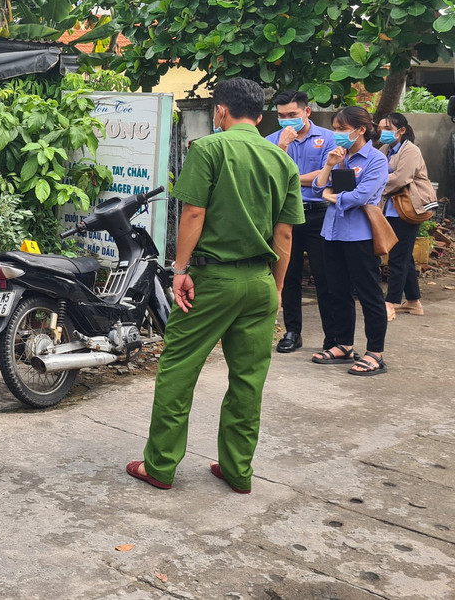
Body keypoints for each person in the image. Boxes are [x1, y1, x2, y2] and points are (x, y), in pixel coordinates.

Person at [127, 78, 301, 493]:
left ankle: (161, 467)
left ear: (220, 111)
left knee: (178, 370)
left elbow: (192, 215)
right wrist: (276, 289)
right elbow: (285, 237)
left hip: (214, 279)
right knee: (248, 379)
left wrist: (180, 270)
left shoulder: (209, 148)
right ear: (260, 116)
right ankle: (238, 471)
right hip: (260, 281)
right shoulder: (282, 161)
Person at [310, 106, 390, 376]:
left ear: (361, 130)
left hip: (360, 236)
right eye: (335, 129)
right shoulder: (339, 157)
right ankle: (344, 345)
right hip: (331, 232)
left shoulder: (376, 160)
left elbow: (362, 196)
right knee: (337, 291)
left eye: (342, 129)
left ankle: (375, 353)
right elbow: (318, 187)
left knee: (369, 294)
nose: (337, 134)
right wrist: (330, 165)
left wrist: (333, 197)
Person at [268, 91, 337, 353]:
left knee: (324, 277)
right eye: (282, 116)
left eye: (292, 115)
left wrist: (289, 174)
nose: (287, 121)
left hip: (318, 213)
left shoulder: (327, 138)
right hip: (286, 215)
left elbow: (326, 176)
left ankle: (332, 337)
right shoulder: (272, 141)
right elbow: (268, 174)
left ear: (306, 112)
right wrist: (282, 148)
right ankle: (292, 332)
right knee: (288, 275)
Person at [378, 112, 436, 317]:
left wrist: (376, 183)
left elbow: (401, 178)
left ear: (401, 131)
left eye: (388, 128)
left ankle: (390, 303)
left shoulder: (410, 150)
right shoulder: (386, 149)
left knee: (398, 258)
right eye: (381, 128)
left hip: (408, 210)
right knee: (403, 256)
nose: (383, 132)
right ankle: (413, 302)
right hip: (392, 209)